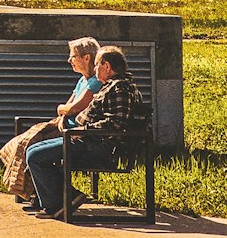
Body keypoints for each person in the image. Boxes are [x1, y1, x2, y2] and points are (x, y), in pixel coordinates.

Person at [25, 45, 143, 221]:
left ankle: (58, 204)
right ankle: (65, 198)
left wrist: (82, 130)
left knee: (36, 155)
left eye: (97, 65)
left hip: (95, 145)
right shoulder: (112, 85)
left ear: (107, 66)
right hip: (86, 140)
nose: (95, 69)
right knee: (33, 149)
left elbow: (116, 123)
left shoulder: (120, 88)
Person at [0, 37, 102, 207]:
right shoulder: (82, 81)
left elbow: (72, 108)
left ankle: (60, 198)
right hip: (66, 131)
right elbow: (68, 108)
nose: (69, 61)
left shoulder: (96, 82)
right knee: (25, 144)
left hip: (77, 136)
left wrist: (62, 108)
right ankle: (41, 196)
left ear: (87, 58)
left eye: (73, 56)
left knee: (34, 151)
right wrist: (64, 109)